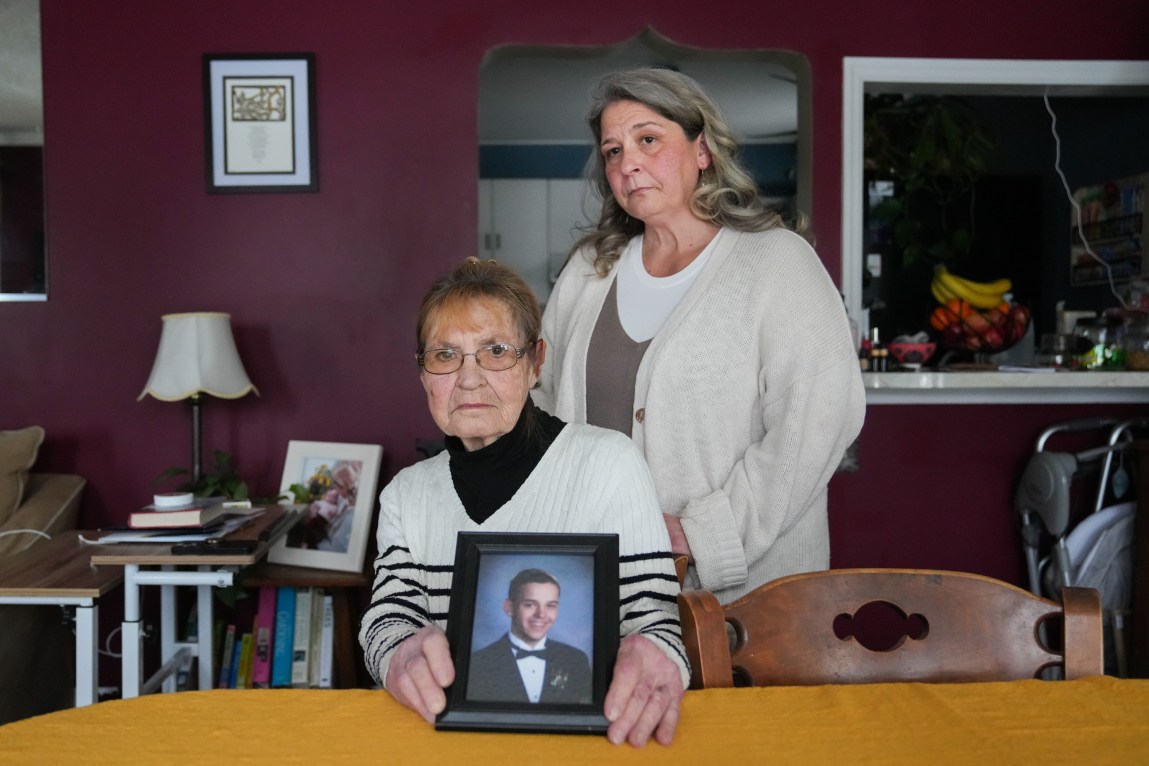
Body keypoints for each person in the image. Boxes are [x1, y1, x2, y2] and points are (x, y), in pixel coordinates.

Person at [534, 67, 866, 605]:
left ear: (702, 150)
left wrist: (702, 534)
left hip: (750, 599)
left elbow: (818, 421)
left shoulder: (777, 263)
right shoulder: (590, 270)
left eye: (648, 139)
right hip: (603, 587)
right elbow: (542, 399)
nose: (629, 163)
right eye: (613, 151)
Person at [358, 257, 689, 748]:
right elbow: (391, 615)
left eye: (495, 351)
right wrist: (399, 652)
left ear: (535, 363)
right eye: (445, 356)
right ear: (424, 374)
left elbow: (654, 616)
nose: (468, 379)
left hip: (591, 742)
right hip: (445, 741)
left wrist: (655, 652)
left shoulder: (608, 464)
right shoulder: (407, 494)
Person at [467, 568, 591, 705]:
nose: (541, 614)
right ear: (509, 607)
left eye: (550, 605)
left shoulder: (576, 660)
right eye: (530, 605)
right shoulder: (478, 664)